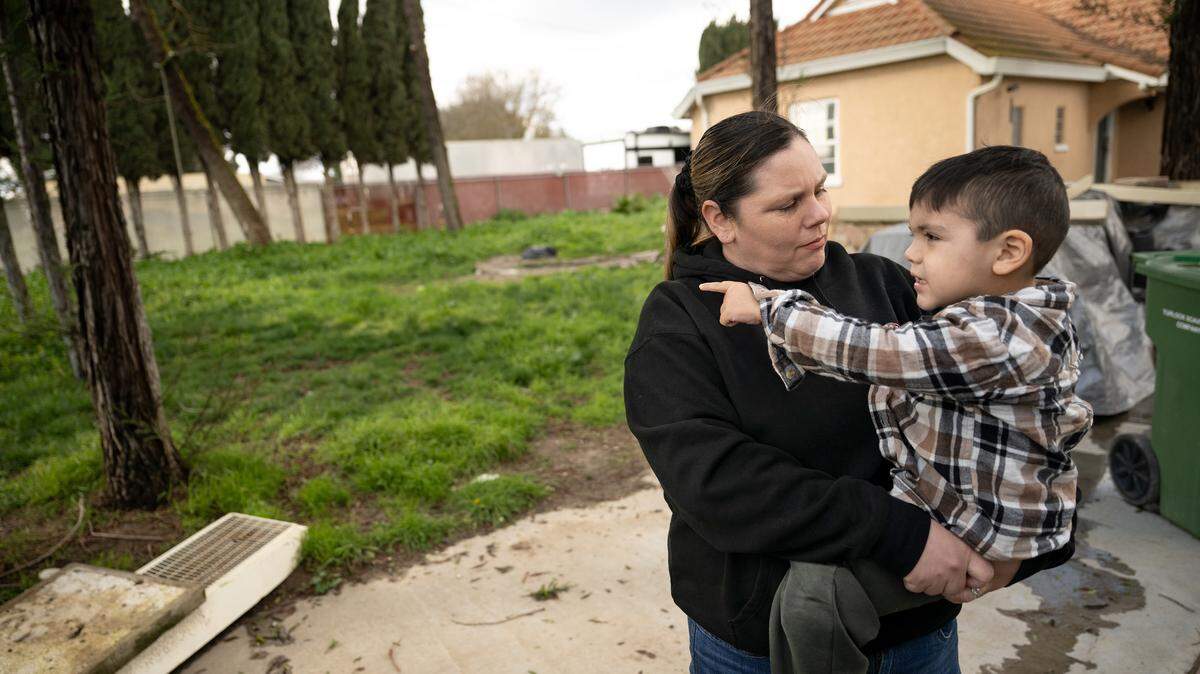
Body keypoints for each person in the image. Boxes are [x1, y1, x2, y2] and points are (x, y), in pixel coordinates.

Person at [623, 111, 1077, 674]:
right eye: (788, 205)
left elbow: (1013, 396)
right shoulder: (679, 323)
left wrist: (1027, 541)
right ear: (720, 219)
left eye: (819, 189)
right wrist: (901, 536)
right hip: (757, 642)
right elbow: (717, 483)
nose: (820, 214)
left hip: (917, 633)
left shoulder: (884, 282)